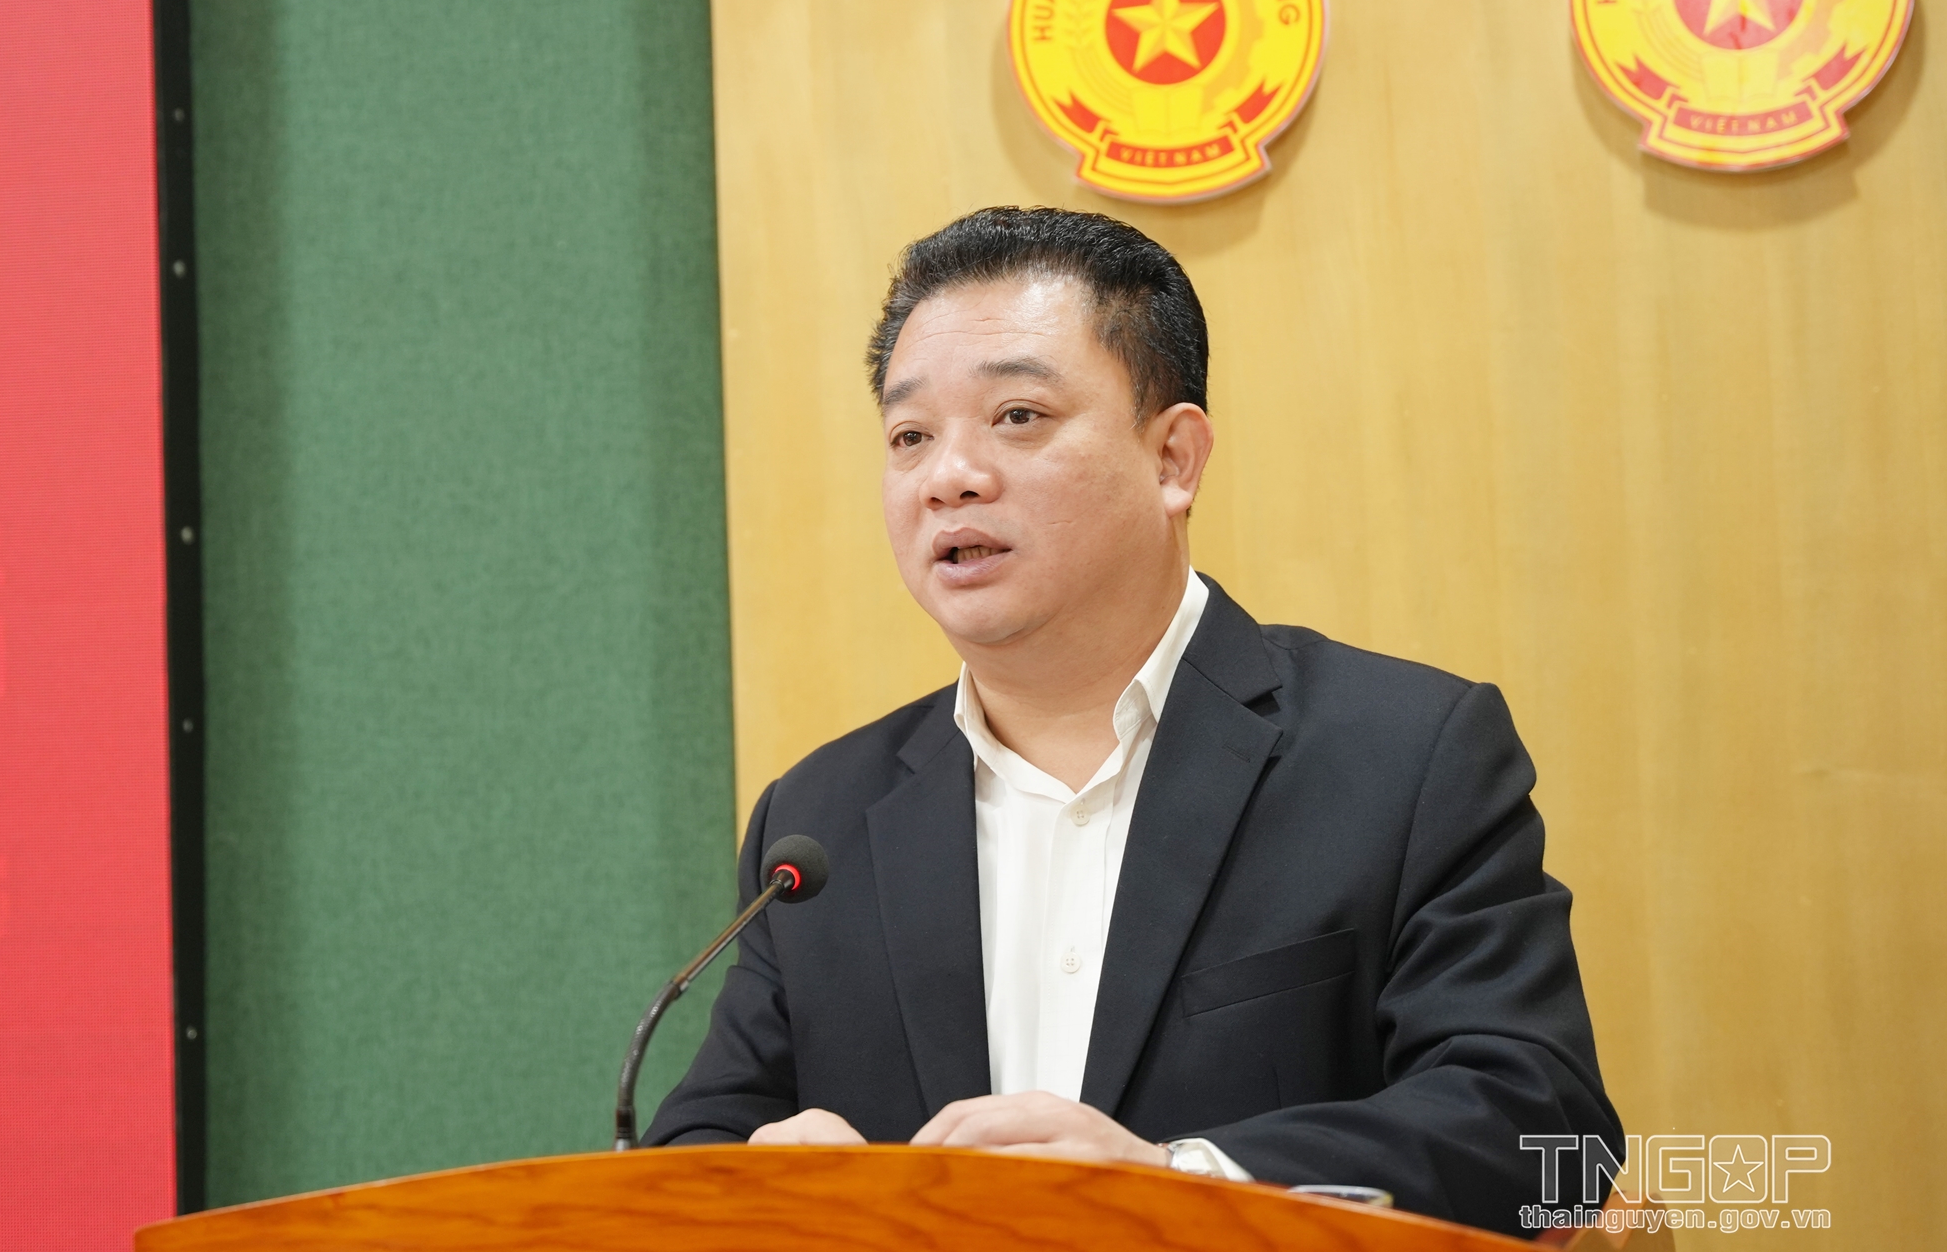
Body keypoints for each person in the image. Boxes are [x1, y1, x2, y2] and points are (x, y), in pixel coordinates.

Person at [645, 206, 1621, 1235]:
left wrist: (1176, 1177)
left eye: (1017, 415)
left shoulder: (1403, 754)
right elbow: (689, 1148)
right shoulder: (821, 822)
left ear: (1172, 459)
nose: (948, 476)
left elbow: (1544, 1130)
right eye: (910, 436)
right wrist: (764, 1182)